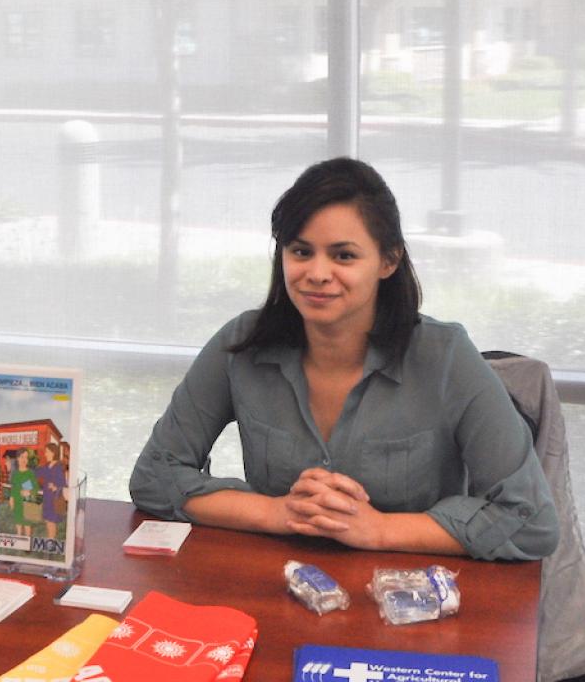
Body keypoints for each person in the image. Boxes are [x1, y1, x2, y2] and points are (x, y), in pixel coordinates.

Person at [129, 158, 558, 561]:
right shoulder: (242, 344)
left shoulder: (446, 358)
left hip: (412, 602)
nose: (316, 273)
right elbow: (154, 476)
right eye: (300, 251)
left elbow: (531, 520)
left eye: (343, 255)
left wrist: (379, 530)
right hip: (280, 587)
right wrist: (277, 513)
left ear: (388, 261)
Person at [35, 442, 68, 540]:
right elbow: (34, 475)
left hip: (55, 499)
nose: (45, 454)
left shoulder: (59, 467)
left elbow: (64, 485)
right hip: (47, 498)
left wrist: (55, 487)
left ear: (53, 453)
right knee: (48, 522)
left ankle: (51, 542)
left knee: (51, 522)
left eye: (47, 452)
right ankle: (51, 540)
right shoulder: (46, 466)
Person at [9, 448, 40, 538]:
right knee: (18, 523)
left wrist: (29, 491)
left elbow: (35, 488)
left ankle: (27, 545)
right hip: (17, 503)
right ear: (17, 458)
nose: (24, 459)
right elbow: (13, 488)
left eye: (26, 457)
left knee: (27, 525)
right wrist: (11, 499)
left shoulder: (30, 473)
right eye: (22, 457)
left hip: (27, 503)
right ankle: (19, 540)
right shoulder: (15, 473)